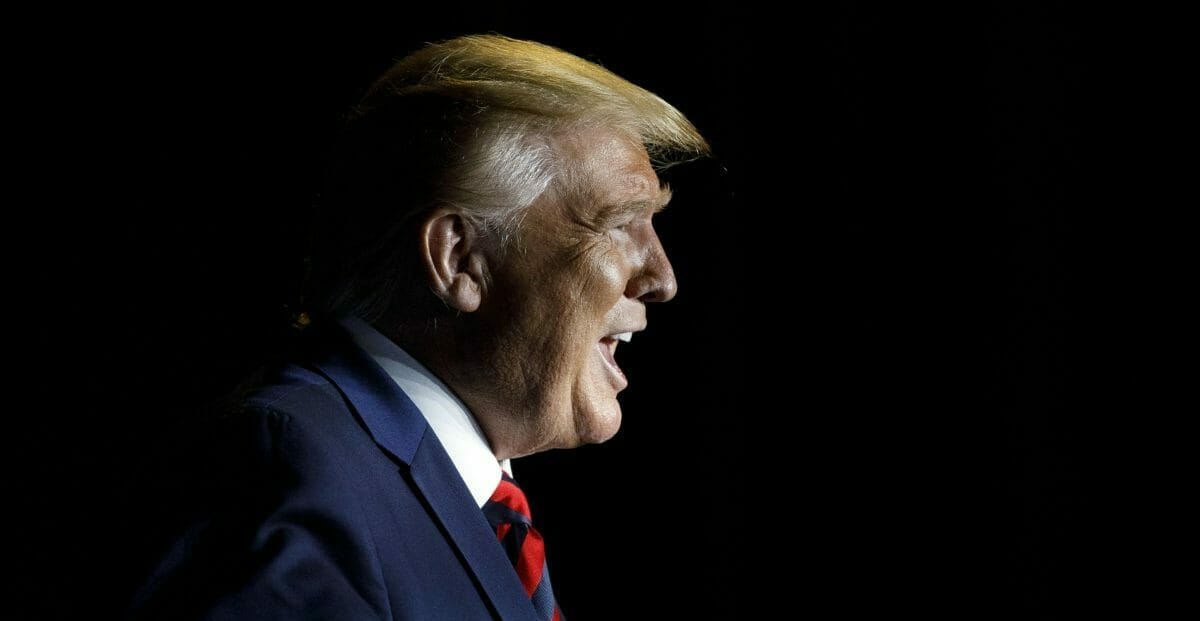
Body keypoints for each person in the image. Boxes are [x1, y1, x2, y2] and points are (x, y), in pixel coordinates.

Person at [126, 34, 709, 620]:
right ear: (459, 260)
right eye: (618, 223)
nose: (663, 278)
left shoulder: (448, 494)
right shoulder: (286, 472)